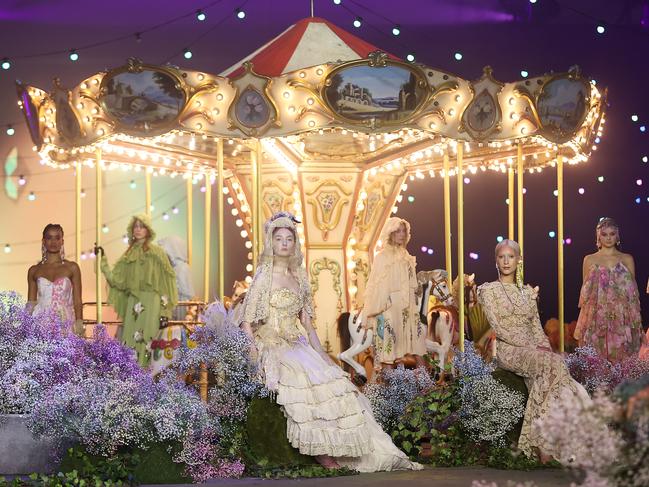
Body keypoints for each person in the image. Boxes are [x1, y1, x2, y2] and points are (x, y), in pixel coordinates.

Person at [239, 211, 421, 472]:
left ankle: (345, 448)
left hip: (297, 343)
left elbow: (308, 325)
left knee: (333, 381)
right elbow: (247, 321)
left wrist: (325, 357)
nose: (284, 243)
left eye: (289, 239)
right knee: (303, 381)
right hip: (272, 343)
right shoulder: (263, 278)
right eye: (279, 238)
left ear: (294, 244)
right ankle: (321, 451)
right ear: (271, 242)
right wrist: (254, 357)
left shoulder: (300, 278)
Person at [477, 239, 590, 461]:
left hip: (532, 349)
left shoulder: (527, 292)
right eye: (502, 257)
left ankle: (546, 445)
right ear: (496, 261)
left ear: (519, 260)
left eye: (511, 256)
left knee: (555, 365)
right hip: (509, 349)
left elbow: (537, 328)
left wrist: (546, 349)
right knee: (553, 366)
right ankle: (540, 445)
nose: (506, 261)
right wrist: (532, 347)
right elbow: (498, 328)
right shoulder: (488, 291)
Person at [96, 214, 178, 366]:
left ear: (148, 230)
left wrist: (165, 312)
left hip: (152, 304)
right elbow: (117, 281)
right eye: (136, 226)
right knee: (130, 341)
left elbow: (165, 285)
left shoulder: (157, 253)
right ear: (132, 230)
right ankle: (131, 380)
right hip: (133, 304)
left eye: (142, 226)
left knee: (148, 341)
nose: (138, 229)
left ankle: (147, 382)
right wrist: (103, 260)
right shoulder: (129, 254)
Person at [574, 217, 643, 363]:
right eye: (604, 234)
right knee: (597, 363)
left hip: (621, 317)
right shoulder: (589, 259)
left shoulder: (627, 259)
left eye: (612, 234)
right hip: (597, 318)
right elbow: (585, 294)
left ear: (617, 235)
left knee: (623, 361)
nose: (608, 238)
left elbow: (633, 294)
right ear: (598, 236)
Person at [360, 217, 426, 369]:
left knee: (418, 346)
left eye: (404, 231)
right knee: (389, 352)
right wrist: (379, 308)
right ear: (390, 233)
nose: (401, 234)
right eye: (397, 231)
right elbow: (376, 285)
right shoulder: (382, 257)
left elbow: (413, 285)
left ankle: (425, 387)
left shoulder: (408, 257)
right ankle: (391, 390)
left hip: (408, 307)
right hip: (389, 307)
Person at [27, 223, 83, 335]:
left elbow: (77, 301)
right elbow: (31, 303)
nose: (53, 242)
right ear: (43, 241)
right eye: (49, 238)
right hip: (40, 323)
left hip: (65, 323)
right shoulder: (34, 270)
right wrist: (25, 327)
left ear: (62, 241)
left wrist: (79, 325)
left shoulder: (72, 267)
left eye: (57, 238)